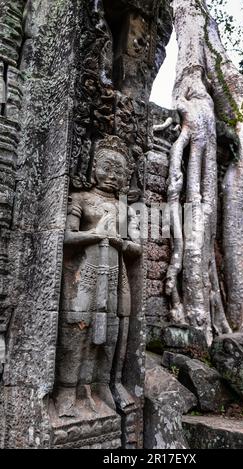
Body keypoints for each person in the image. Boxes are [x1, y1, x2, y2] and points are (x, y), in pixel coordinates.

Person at [54, 135, 142, 418]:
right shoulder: (80, 199)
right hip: (82, 276)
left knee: (111, 334)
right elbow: (65, 236)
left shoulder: (125, 208)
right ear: (93, 167)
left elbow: (136, 247)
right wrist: (94, 234)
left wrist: (118, 242)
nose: (112, 176)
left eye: (119, 171)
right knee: (76, 331)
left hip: (116, 277)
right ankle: (68, 392)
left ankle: (101, 386)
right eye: (106, 167)